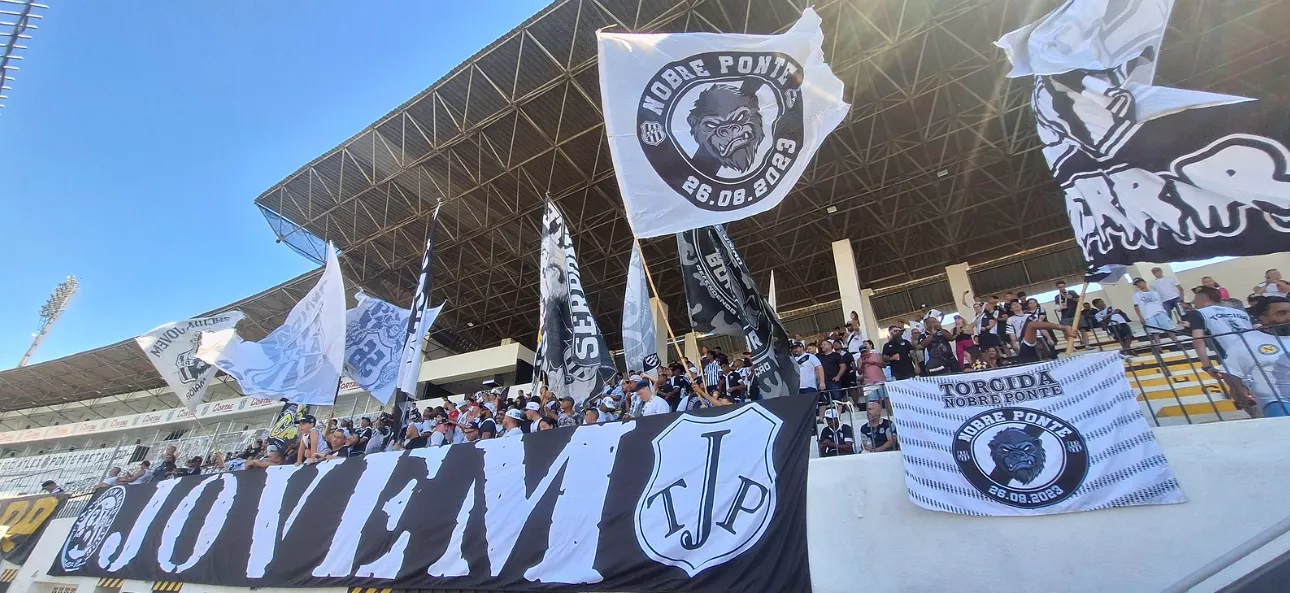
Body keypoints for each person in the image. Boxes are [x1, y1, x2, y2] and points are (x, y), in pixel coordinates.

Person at [1188, 286, 1261, 417]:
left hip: (1232, 359)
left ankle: (1259, 417)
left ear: (1204, 298)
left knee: (1240, 391)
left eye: (1196, 299)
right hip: (1257, 353)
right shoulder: (1240, 312)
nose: (1194, 302)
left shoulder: (1199, 313)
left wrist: (1207, 365)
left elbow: (1198, 339)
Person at [1133, 277, 1178, 347]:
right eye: (1137, 284)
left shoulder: (1155, 293)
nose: (1139, 285)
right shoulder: (1136, 295)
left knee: (1169, 330)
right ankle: (1159, 348)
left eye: (1140, 282)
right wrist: (1140, 317)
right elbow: (1136, 306)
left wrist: (1163, 311)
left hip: (1160, 312)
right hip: (1148, 315)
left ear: (1144, 282)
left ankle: (1178, 344)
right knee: (1155, 333)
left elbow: (1160, 302)